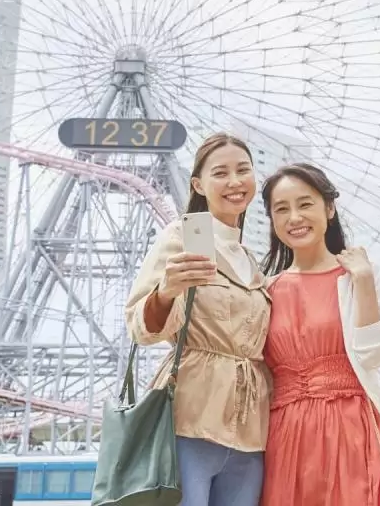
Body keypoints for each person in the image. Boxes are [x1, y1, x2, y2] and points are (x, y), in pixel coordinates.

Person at [124, 133, 272, 506]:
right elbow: (141, 326)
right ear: (198, 184)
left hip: (251, 427)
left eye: (243, 170)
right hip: (192, 415)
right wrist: (165, 292)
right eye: (220, 173)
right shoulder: (188, 235)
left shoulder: (251, 258)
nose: (235, 182)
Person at [258, 162, 380, 506]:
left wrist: (363, 281)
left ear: (329, 208)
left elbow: (375, 354)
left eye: (305, 204)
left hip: (350, 424)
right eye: (282, 209)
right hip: (283, 430)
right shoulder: (264, 290)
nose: (294, 217)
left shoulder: (362, 277)